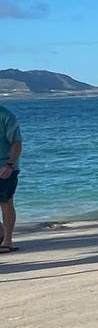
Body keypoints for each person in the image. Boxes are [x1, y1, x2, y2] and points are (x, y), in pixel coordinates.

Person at [0, 104, 22, 254]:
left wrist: (9, 165)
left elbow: (17, 143)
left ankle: (7, 240)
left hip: (5, 166)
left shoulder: (6, 116)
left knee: (5, 202)